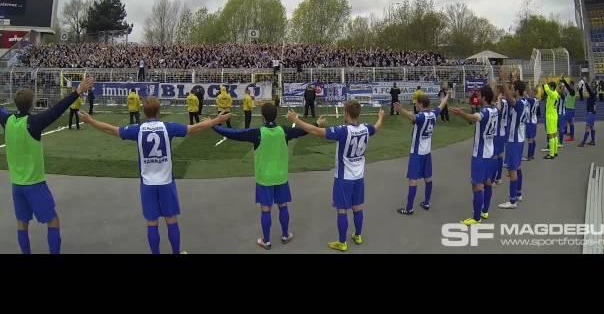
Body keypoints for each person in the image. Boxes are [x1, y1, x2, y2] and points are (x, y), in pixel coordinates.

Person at [79, 98, 230, 254]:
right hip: (166, 181)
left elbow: (112, 130)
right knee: (171, 219)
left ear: (144, 112)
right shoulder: (168, 127)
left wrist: (90, 120)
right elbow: (195, 128)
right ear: (159, 111)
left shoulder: (138, 129)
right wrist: (215, 121)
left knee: (152, 222)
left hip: (147, 183)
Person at [0, 76, 95, 254]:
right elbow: (56, 111)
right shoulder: (33, 123)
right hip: (34, 184)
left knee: (22, 222)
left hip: (17, 185)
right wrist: (77, 91)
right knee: (53, 220)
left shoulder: (8, 120)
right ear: (32, 103)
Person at [213, 103, 321, 250]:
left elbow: (233, 133)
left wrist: (213, 125)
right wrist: (316, 123)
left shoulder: (257, 133)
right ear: (276, 115)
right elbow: (304, 131)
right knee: (283, 206)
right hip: (281, 176)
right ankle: (285, 235)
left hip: (264, 178)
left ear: (262, 117)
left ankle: (266, 240)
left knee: (266, 210)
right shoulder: (284, 131)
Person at [287, 101, 384, 252]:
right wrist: (381, 116)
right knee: (357, 207)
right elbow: (376, 127)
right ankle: (358, 235)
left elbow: (316, 131)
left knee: (342, 210)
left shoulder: (343, 131)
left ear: (346, 113)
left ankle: (342, 242)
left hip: (344, 178)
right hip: (359, 177)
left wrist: (296, 120)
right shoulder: (366, 128)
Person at [393, 89, 450, 215]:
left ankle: (409, 208)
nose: (415, 105)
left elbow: (412, 117)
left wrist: (400, 110)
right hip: (427, 152)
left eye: (417, 103)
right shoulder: (433, 114)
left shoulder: (421, 116)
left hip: (417, 152)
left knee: (413, 179)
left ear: (421, 104)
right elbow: (441, 105)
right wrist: (447, 96)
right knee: (428, 178)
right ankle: (426, 201)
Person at [450, 85, 498, 224]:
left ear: (483, 97)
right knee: (487, 182)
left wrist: (462, 114)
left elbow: (475, 117)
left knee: (477, 185)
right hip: (490, 152)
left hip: (480, 154)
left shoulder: (484, 112)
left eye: (480, 95)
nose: (478, 97)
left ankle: (476, 218)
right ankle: (485, 211)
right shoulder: (495, 109)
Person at [498, 80, 528, 209]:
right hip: (519, 139)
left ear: (516, 91)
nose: (511, 91)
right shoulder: (525, 101)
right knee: (518, 167)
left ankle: (512, 200)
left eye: (513, 89)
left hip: (514, 140)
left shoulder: (519, 103)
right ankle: (518, 193)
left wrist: (504, 82)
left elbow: (510, 99)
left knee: (512, 170)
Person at [492, 86, 508, 186]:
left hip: (497, 132)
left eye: (495, 90)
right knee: (500, 155)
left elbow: (498, 109)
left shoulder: (500, 103)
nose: (494, 92)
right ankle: (499, 178)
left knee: (494, 156)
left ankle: (493, 179)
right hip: (502, 131)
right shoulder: (506, 102)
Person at [543, 79, 560, 160]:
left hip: (550, 116)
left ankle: (551, 154)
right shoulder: (556, 93)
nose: (548, 88)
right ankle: (555, 151)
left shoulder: (552, 93)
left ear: (552, 87)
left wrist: (545, 83)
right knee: (554, 134)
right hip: (555, 115)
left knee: (550, 135)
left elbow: (546, 90)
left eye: (550, 87)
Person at [578, 81, 597, 147]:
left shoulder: (592, 94)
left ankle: (583, 142)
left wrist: (586, 82)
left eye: (592, 86)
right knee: (592, 127)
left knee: (587, 127)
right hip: (592, 113)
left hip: (591, 113)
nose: (591, 87)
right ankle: (593, 141)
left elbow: (589, 89)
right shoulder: (592, 95)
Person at [524, 86, 540, 161]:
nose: (529, 92)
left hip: (530, 121)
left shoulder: (532, 100)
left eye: (530, 91)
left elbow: (525, 96)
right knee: (532, 138)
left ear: (533, 92)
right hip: (533, 120)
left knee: (530, 139)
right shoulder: (535, 100)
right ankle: (532, 154)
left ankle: (529, 155)